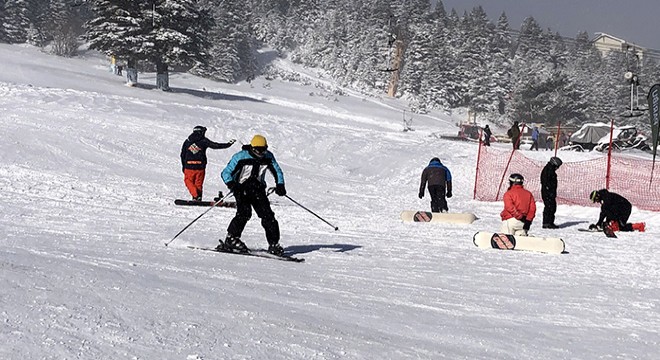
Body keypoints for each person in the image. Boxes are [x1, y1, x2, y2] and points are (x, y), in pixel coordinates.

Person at [219, 135, 287, 256]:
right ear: (252, 148)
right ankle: (231, 239)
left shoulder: (268, 157)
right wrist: (232, 185)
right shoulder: (240, 157)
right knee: (244, 213)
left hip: (258, 189)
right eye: (258, 150)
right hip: (241, 189)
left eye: (264, 149)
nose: (261, 153)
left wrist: (280, 184)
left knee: (268, 216)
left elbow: (277, 170)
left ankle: (274, 244)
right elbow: (226, 172)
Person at [180, 126, 236, 201]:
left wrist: (184, 166)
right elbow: (216, 145)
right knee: (198, 183)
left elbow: (182, 154)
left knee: (188, 181)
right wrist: (228, 144)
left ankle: (195, 195)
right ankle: (198, 197)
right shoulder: (204, 141)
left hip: (189, 166)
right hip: (200, 167)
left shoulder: (187, 141)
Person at [540, 157, 562, 229]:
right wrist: (549, 190)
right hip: (547, 192)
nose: (557, 168)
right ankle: (547, 223)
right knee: (549, 207)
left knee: (552, 207)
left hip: (549, 192)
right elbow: (546, 182)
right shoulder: (548, 170)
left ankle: (549, 222)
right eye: (557, 166)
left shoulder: (550, 169)